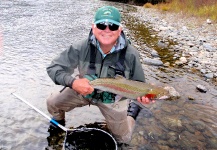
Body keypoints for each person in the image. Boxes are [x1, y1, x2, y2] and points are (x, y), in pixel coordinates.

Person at [46, 6, 153, 145]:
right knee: (52, 103)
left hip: (112, 100)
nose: (107, 30)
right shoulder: (80, 47)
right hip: (83, 91)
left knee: (124, 139)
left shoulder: (131, 54)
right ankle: (57, 129)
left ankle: (132, 113)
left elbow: (139, 83)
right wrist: (73, 83)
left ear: (120, 29)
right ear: (93, 27)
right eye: (102, 25)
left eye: (113, 26)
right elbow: (54, 68)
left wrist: (142, 97)